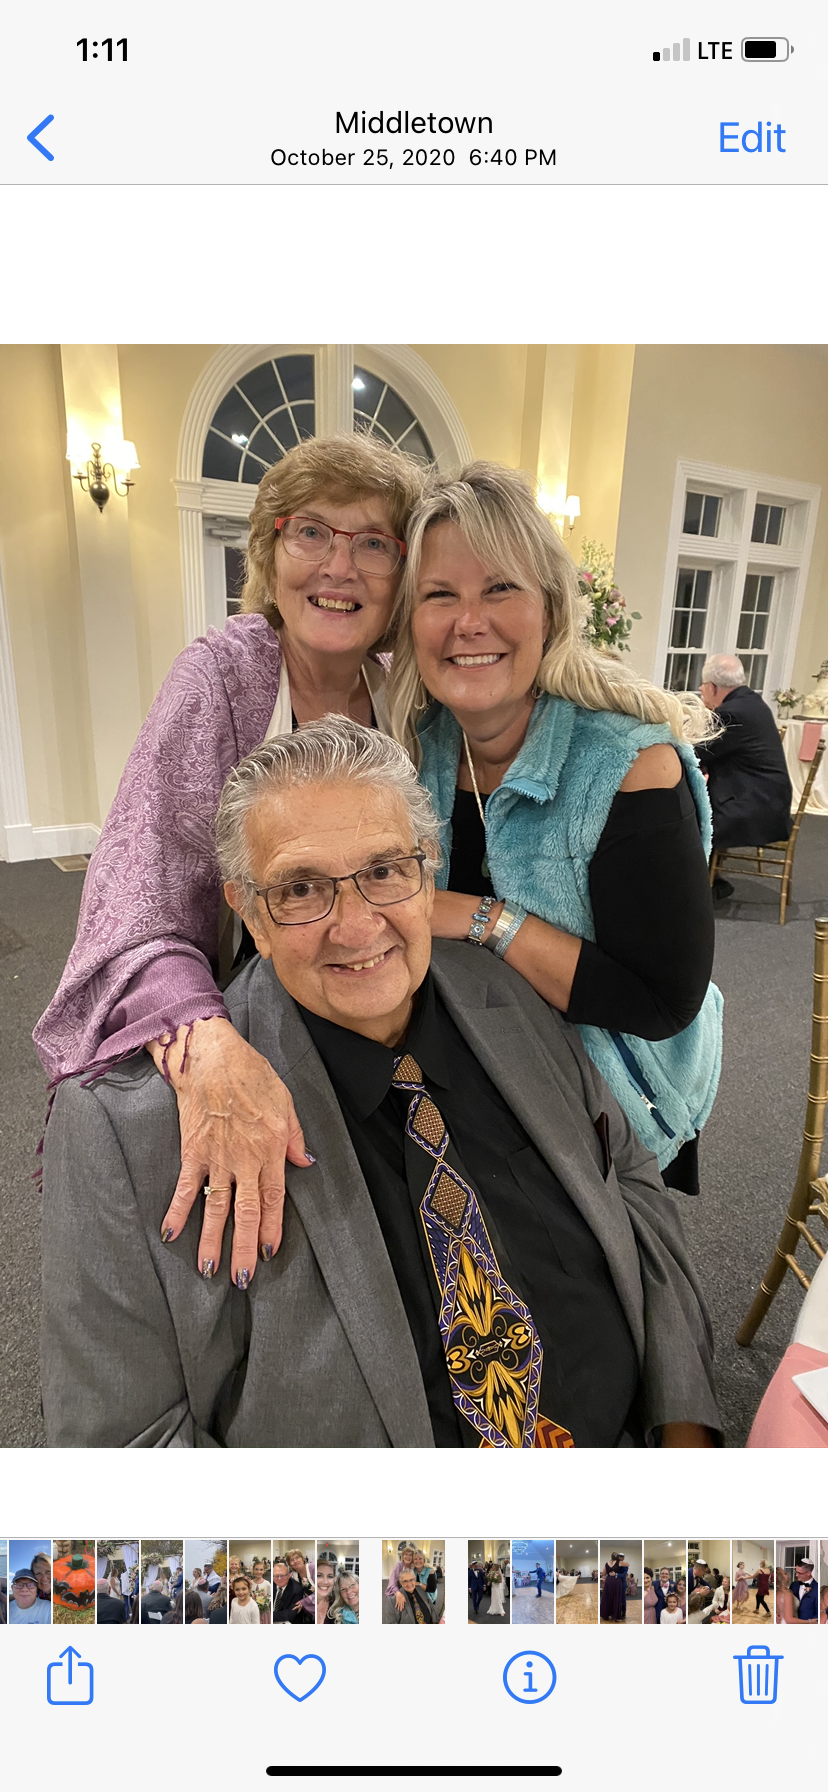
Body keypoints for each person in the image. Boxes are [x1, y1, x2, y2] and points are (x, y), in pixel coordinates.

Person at [42, 719, 720, 1450]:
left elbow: (632, 1187)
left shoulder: (509, 996)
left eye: (385, 870)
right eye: (302, 889)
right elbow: (126, 1447)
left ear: (427, 873)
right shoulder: (130, 1132)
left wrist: (683, 1430)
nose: (358, 927)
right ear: (250, 915)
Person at [34, 435, 424, 1289]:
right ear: (269, 554)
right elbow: (138, 895)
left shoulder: (406, 690)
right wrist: (208, 1042)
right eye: (311, 532)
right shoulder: (219, 677)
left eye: (372, 542)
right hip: (247, 991)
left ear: (401, 573)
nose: (340, 567)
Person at [388, 461, 722, 1202]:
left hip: (615, 1103)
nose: (469, 622)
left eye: (499, 588)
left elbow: (662, 1003)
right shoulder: (415, 753)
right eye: (440, 595)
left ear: (550, 611)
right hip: (480, 1074)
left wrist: (479, 919)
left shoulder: (630, 766)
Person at [697, 655, 793, 879]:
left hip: (754, 807)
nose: (701, 691)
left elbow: (697, 752)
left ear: (712, 687)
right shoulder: (752, 701)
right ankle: (707, 879)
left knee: (685, 818)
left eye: (702, 686)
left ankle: (697, 887)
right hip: (767, 799)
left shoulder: (732, 712)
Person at [287, 1551, 315, 1623]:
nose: (295, 1561)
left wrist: (303, 1602)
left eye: (297, 1557)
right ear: (290, 1564)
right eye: (292, 1560)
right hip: (306, 1610)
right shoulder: (293, 1575)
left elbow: (320, 1592)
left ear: (302, 1559)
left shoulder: (313, 1568)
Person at [600, 1553, 628, 1622]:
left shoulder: (624, 1564)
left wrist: (615, 1574)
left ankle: (623, 1613)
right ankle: (612, 1613)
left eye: (621, 1557)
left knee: (621, 1599)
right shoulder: (617, 1563)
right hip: (615, 1582)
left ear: (623, 1558)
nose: (620, 1558)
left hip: (621, 1583)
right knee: (612, 1598)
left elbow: (624, 1575)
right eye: (619, 1557)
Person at [789, 1558, 819, 1623]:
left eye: (799, 1573)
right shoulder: (793, 1585)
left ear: (808, 1573)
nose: (796, 1575)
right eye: (796, 1572)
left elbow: (818, 1614)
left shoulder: (817, 1588)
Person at [316, 1559, 337, 1625]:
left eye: (330, 1576)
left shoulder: (336, 1605)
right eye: (319, 1575)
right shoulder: (303, 1605)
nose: (325, 1582)